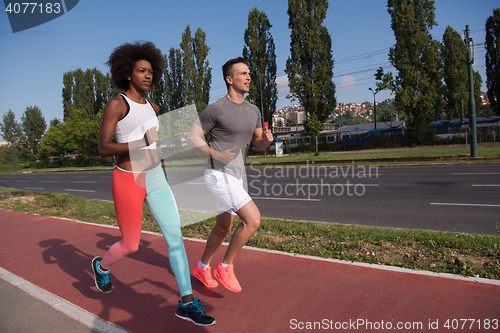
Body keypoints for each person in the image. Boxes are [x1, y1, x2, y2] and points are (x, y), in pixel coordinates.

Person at [91, 41, 215, 327]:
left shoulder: (154, 106)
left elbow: (155, 145)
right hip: (127, 179)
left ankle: (186, 303)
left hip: (156, 175)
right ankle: (102, 266)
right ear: (127, 74)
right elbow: (103, 148)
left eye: (150, 71)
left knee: (175, 239)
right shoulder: (116, 104)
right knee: (131, 244)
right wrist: (141, 142)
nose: (147, 76)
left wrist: (171, 145)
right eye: (141, 71)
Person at [187, 57, 273, 292]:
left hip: (236, 177)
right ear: (229, 79)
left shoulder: (253, 110)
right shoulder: (216, 109)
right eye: (243, 73)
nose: (248, 77)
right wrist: (214, 154)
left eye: (249, 73)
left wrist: (265, 141)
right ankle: (225, 266)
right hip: (218, 174)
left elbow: (258, 145)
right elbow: (192, 137)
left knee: (223, 227)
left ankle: (201, 266)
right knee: (253, 220)